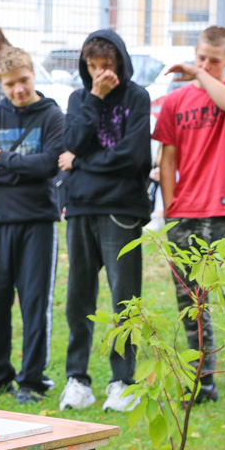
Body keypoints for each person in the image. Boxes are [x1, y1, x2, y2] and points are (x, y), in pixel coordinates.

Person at [152, 26, 225, 414]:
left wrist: (202, 75)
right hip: (186, 214)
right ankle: (203, 381)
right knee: (193, 303)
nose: (203, 65)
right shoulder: (175, 101)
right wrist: (171, 211)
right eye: (200, 58)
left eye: (213, 61)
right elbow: (167, 159)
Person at [56, 30, 151, 412]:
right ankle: (77, 379)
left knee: (123, 296)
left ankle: (123, 380)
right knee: (79, 296)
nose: (100, 74)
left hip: (121, 209)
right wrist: (94, 98)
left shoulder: (137, 97)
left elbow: (134, 156)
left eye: (106, 67)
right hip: (80, 207)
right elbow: (71, 141)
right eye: (92, 67)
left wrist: (81, 165)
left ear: (119, 63)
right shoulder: (80, 98)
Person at [0, 46, 64, 404]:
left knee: (35, 304)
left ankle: (32, 380)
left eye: (23, 81)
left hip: (38, 222)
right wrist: (25, 167)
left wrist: (3, 159)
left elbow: (49, 165)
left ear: (32, 74)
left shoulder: (52, 115)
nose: (18, 90)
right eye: (9, 84)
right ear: (1, 83)